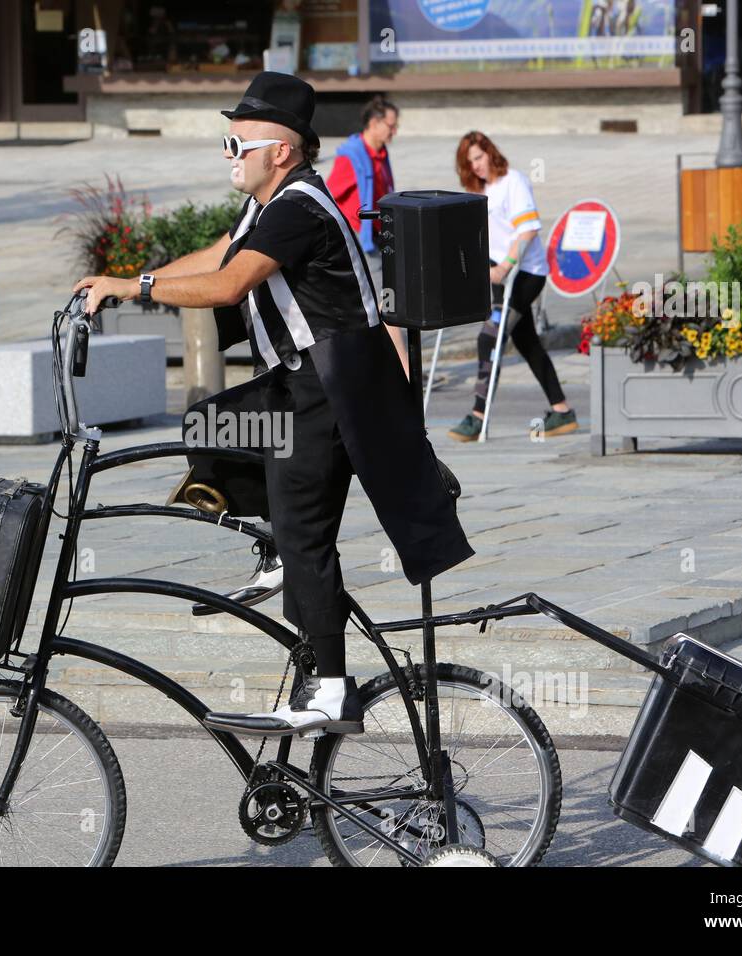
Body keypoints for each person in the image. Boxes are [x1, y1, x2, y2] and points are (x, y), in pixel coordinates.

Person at [73, 72, 474, 736]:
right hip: (304, 383)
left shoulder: (298, 208)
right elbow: (221, 254)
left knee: (306, 536)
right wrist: (125, 284)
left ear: (280, 151)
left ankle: (333, 691)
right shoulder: (270, 203)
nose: (228, 154)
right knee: (211, 425)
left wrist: (133, 287)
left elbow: (231, 284)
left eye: (238, 143)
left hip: (336, 393)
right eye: (225, 143)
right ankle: (281, 555)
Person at [448, 131, 577, 442]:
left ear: (491, 152)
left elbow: (528, 230)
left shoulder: (514, 181)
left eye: (479, 157)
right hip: (498, 274)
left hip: (525, 272)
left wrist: (505, 265)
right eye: (470, 162)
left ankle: (478, 416)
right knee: (528, 343)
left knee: (489, 339)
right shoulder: (481, 190)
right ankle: (562, 410)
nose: (477, 166)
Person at [327, 95, 409, 374]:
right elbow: (329, 198)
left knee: (381, 307)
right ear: (374, 123)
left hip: (379, 240)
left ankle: (386, 367)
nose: (394, 131)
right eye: (391, 125)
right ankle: (405, 372)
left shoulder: (381, 155)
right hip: (361, 245)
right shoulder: (351, 158)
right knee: (390, 305)